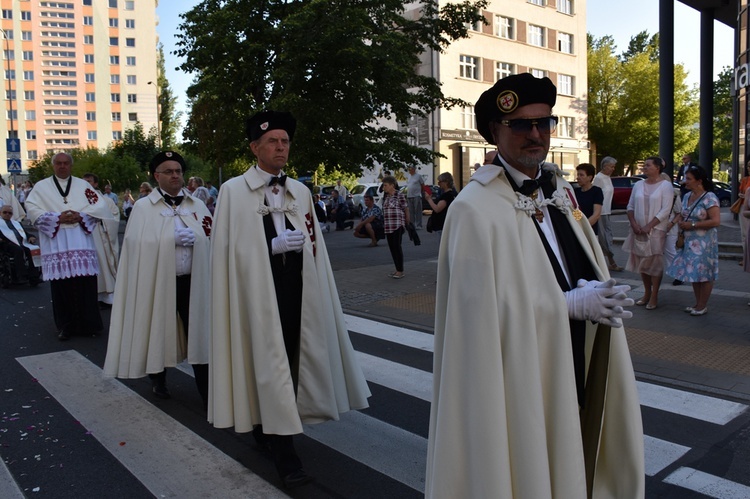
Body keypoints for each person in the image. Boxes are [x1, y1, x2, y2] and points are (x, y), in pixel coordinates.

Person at [426, 73, 643, 499]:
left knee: (580, 454)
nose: (536, 135)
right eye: (521, 125)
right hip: (520, 372)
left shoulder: (559, 190)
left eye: (544, 123)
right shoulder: (473, 208)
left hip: (577, 352)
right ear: (495, 131)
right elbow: (477, 320)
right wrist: (562, 305)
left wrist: (599, 291)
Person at [209, 110, 370, 489]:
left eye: (284, 142)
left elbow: (314, 241)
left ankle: (274, 425)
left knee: (293, 359)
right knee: (267, 362)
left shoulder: (299, 190)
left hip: (297, 287)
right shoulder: (233, 190)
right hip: (255, 294)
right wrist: (271, 246)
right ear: (254, 148)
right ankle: (285, 455)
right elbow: (228, 251)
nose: (280, 147)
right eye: (272, 142)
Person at [104, 151, 211, 406]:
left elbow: (211, 234)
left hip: (192, 282)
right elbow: (135, 244)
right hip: (159, 282)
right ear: (156, 176)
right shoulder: (143, 207)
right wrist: (168, 241)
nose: (175, 175)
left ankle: (207, 388)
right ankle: (158, 378)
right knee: (157, 328)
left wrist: (199, 240)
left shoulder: (196, 205)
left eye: (178, 171)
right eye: (168, 171)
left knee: (201, 332)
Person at [24, 152, 118, 341]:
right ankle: (65, 326)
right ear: (53, 165)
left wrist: (80, 216)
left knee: (85, 284)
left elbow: (99, 206)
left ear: (71, 165)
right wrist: (58, 217)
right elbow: (32, 209)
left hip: (80, 240)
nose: (62, 166)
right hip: (57, 243)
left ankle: (89, 323)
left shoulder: (83, 186)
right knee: (62, 287)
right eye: (58, 163)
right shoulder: (41, 187)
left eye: (66, 163)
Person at [666, 166, 720, 316]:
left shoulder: (709, 197)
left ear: (699, 181)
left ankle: (702, 305)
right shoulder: (687, 196)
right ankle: (697, 304)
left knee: (705, 274)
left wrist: (693, 225)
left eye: (688, 179)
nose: (685, 182)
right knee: (694, 273)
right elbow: (683, 214)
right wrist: (679, 226)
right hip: (689, 242)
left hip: (705, 243)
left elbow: (716, 221)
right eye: (685, 178)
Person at [623, 156, 674, 310]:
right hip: (638, 230)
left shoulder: (666, 186)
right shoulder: (638, 184)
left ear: (657, 168)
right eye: (644, 165)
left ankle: (654, 295)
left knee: (655, 264)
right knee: (642, 263)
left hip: (656, 231)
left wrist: (649, 226)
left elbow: (666, 209)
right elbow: (630, 206)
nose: (644, 167)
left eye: (648, 165)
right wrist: (634, 224)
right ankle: (646, 292)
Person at [82, 173, 121, 307]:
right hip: (84, 236)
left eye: (89, 181)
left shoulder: (105, 200)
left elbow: (114, 215)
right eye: (84, 181)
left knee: (103, 263)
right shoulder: (78, 200)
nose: (86, 184)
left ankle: (107, 296)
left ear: (96, 184)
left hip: (100, 234)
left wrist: (102, 220)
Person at [593, 156, 623, 271]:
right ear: (605, 166)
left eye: (613, 167)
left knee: (607, 237)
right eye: (611, 166)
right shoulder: (599, 178)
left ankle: (609, 261)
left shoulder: (607, 178)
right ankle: (611, 262)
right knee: (604, 238)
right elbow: (595, 195)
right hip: (601, 212)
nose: (613, 169)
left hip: (607, 212)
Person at [0, 204, 41, 285]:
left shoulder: (17, 223)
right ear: (0, 213)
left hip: (21, 243)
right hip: (6, 244)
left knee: (33, 250)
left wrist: (31, 237)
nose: (7, 214)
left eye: (10, 213)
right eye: (5, 212)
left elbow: (26, 234)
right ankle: (21, 275)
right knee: (18, 250)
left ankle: (34, 275)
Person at [381, 175, 409, 279]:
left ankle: (400, 270)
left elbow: (405, 208)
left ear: (392, 185)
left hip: (397, 225)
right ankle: (397, 269)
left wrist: (407, 221)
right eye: (383, 185)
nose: (384, 187)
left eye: (386, 185)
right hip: (388, 226)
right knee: (392, 248)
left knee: (397, 247)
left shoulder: (399, 195)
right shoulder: (386, 196)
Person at [574, 163, 603, 234]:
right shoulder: (575, 192)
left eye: (581, 175)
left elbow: (596, 214)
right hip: (577, 230)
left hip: (590, 231)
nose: (578, 177)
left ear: (590, 177)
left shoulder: (596, 191)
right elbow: (575, 210)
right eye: (578, 175)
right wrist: (578, 225)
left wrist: (584, 227)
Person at [738, 160, 750, 267]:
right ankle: (745, 256)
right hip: (745, 208)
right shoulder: (745, 180)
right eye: (748, 166)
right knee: (744, 234)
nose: (748, 168)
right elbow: (741, 191)